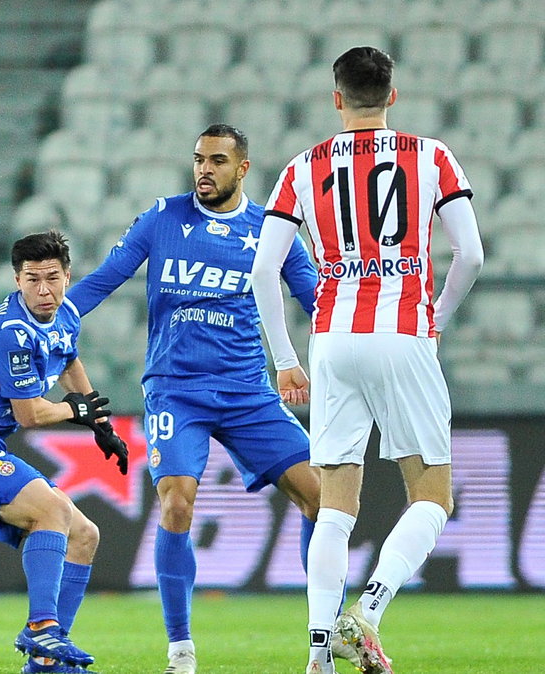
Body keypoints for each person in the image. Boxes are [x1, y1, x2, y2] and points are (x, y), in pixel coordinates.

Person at [251, 47, 484, 674]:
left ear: (336, 98)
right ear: (392, 95)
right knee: (432, 495)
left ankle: (318, 656)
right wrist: (435, 317)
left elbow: (263, 271)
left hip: (332, 339)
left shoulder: (304, 166)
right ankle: (370, 613)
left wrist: (284, 359)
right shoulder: (431, 156)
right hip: (403, 329)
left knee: (334, 506)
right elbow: (472, 256)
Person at [66, 124, 323, 674]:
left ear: (243, 169)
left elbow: (318, 303)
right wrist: (48, 320)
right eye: (199, 159)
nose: (204, 170)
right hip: (176, 389)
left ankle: (322, 636)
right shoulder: (164, 217)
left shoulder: (272, 232)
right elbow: (105, 279)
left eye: (218, 161)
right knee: (177, 500)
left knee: (321, 500)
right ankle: (180, 648)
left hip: (248, 391)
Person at [0, 230, 129, 674]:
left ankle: (48, 662)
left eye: (51, 278)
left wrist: (101, 425)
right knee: (51, 511)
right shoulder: (11, 332)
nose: (42, 290)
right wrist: (74, 411)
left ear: (67, 277)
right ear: (17, 281)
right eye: (32, 279)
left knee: (84, 535)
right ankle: (40, 628)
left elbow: (68, 358)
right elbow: (32, 414)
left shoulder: (66, 313)